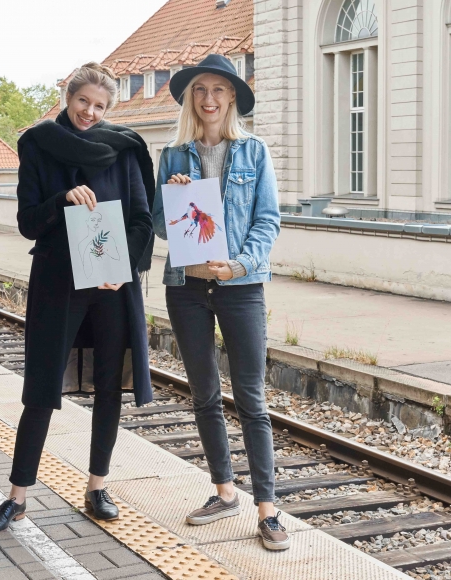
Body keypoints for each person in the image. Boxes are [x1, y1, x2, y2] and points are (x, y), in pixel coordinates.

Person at [0, 62, 155, 533]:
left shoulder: (124, 148)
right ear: (68, 96)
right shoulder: (38, 144)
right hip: (58, 282)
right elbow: (27, 222)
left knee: (108, 388)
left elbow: (143, 220)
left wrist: (124, 270)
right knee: (40, 389)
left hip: (111, 286)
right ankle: (17, 497)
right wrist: (62, 200)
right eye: (83, 102)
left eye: (99, 106)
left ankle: (97, 486)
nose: (90, 113)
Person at [152, 54, 287, 550]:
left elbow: (267, 219)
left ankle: (268, 512)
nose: (209, 99)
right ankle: (224, 491)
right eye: (200, 90)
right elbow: (158, 223)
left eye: (219, 90)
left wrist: (241, 265)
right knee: (204, 394)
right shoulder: (172, 156)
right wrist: (172, 197)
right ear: (192, 98)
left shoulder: (255, 152)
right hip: (186, 288)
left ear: (232, 98)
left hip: (240, 287)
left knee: (251, 399)